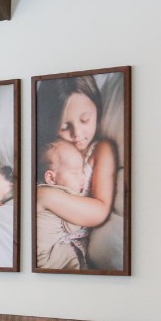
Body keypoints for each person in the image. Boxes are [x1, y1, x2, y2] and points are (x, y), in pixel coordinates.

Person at [35, 78, 122, 268]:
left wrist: (46, 196)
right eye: (65, 126)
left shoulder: (100, 151)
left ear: (97, 107)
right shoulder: (48, 151)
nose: (77, 134)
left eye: (85, 119)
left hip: (64, 252)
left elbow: (100, 210)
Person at [35, 137, 92, 271]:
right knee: (73, 259)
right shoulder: (63, 193)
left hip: (36, 255)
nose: (83, 178)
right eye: (75, 172)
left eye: (82, 171)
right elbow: (73, 226)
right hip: (46, 257)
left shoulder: (40, 189)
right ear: (51, 178)